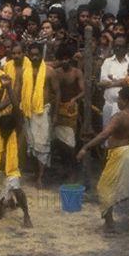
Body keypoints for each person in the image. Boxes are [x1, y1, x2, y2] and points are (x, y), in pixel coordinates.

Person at [77, 85, 129, 232]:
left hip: (121, 154)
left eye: (120, 100)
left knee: (104, 187)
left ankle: (109, 223)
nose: (118, 103)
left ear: (126, 101)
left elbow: (104, 135)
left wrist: (86, 147)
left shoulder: (119, 117)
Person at [0, 72, 32, 228]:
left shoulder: (16, 129)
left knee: (17, 189)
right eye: (2, 124)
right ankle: (7, 202)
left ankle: (26, 215)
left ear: (13, 125)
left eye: (8, 125)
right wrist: (2, 88)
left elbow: (16, 106)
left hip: (11, 170)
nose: (4, 128)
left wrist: (9, 88)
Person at [22, 43, 60, 188]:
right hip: (27, 111)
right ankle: (35, 174)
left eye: (37, 54)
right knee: (31, 145)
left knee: (43, 144)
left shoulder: (50, 72)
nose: (35, 57)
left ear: (41, 55)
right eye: (32, 55)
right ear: (29, 55)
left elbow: (57, 93)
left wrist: (55, 114)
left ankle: (41, 177)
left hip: (43, 111)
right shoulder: (26, 71)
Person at [54, 43, 85, 171]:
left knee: (71, 138)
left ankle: (73, 166)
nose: (65, 61)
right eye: (62, 59)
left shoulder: (77, 72)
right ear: (60, 59)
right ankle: (64, 165)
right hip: (58, 107)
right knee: (59, 138)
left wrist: (74, 99)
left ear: (71, 59)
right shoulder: (56, 73)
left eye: (67, 58)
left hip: (71, 108)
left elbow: (84, 91)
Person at [99, 35, 129, 127]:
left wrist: (112, 81)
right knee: (106, 135)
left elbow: (128, 83)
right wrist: (120, 82)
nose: (118, 48)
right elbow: (102, 83)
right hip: (109, 105)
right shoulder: (107, 62)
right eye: (116, 46)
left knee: (123, 137)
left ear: (126, 47)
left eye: (121, 46)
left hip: (126, 108)